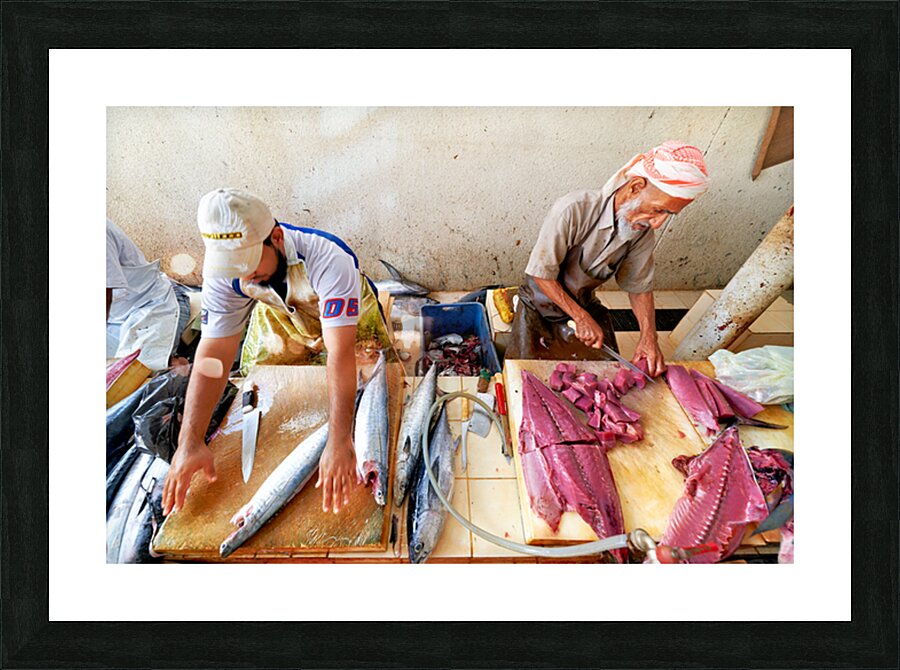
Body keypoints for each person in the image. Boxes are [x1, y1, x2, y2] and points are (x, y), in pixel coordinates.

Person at [161, 188, 391, 518]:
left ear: (277, 238)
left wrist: (340, 440)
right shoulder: (225, 276)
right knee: (269, 389)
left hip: (347, 323)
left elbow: (341, 354)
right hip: (283, 317)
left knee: (372, 383)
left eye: (250, 264)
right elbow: (212, 358)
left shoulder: (329, 258)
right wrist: (190, 441)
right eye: (233, 268)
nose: (243, 277)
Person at [507, 141, 711, 376]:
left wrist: (648, 337)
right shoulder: (574, 210)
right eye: (658, 210)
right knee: (527, 375)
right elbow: (541, 274)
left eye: (669, 215)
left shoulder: (641, 231)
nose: (657, 223)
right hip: (537, 304)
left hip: (584, 303)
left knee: (607, 375)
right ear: (636, 186)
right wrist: (581, 318)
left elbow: (639, 287)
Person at [107, 219, 191, 371]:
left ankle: (179, 368)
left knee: (133, 372)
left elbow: (105, 292)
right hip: (114, 318)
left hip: (151, 303)